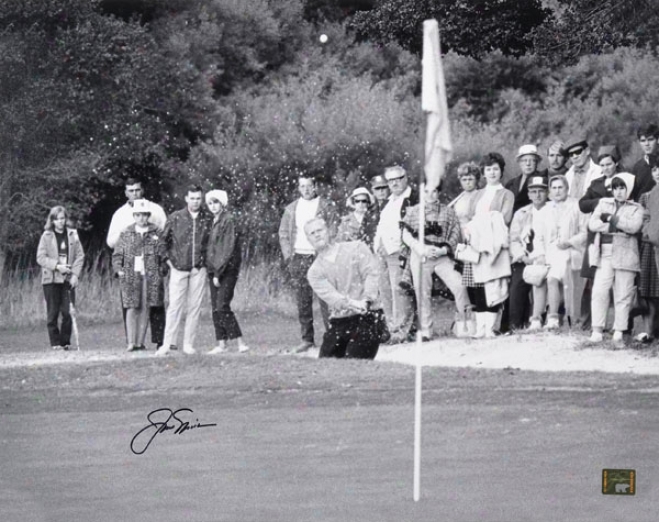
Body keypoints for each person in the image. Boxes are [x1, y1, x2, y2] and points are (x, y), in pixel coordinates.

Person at [401, 183, 471, 339]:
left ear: (439, 192)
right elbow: (406, 234)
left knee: (459, 285)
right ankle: (426, 330)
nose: (430, 195)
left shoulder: (448, 212)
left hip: (442, 257)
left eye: (434, 191)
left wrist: (443, 250)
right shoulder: (413, 211)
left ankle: (464, 325)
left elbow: (454, 234)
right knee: (422, 292)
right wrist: (420, 248)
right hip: (420, 255)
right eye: (426, 191)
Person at [305, 218, 381, 359]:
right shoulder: (314, 272)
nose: (317, 235)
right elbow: (333, 297)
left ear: (328, 231)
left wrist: (367, 300)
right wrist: (353, 303)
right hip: (340, 320)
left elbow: (372, 274)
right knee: (325, 366)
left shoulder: (357, 247)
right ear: (308, 239)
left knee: (354, 363)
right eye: (312, 233)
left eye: (319, 230)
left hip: (369, 316)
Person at [278, 174, 337, 353]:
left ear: (315, 186)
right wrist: (289, 257)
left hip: (319, 257)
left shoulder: (326, 206)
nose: (306, 190)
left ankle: (332, 336)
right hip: (299, 257)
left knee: (326, 298)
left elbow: (333, 228)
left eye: (309, 186)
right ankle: (307, 339)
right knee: (303, 300)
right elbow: (283, 233)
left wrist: (328, 251)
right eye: (302, 186)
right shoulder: (291, 208)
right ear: (298, 188)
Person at [107, 177, 167, 350]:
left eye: (137, 190)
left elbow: (164, 245)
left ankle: (151, 341)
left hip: (151, 272)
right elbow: (114, 247)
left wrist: (162, 268)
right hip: (131, 271)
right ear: (126, 192)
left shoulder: (156, 215)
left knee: (151, 305)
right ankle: (131, 342)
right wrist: (120, 269)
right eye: (131, 190)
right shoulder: (123, 225)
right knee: (132, 306)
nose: (142, 218)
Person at [462, 153, 514, 337]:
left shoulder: (506, 194)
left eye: (495, 169)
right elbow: (469, 218)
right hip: (476, 245)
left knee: (493, 284)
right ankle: (480, 328)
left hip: (494, 246)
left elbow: (504, 218)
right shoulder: (477, 195)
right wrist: (475, 229)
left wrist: (482, 223)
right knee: (477, 285)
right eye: (488, 169)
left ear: (501, 171)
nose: (492, 173)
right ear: (483, 172)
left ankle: (491, 327)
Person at [156, 185, 212, 356]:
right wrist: (169, 262)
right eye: (192, 198)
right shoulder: (175, 217)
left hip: (198, 269)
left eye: (198, 198)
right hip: (179, 269)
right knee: (174, 306)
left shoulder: (207, 218)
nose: (195, 201)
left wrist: (205, 264)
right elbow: (161, 243)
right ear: (186, 198)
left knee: (194, 307)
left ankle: (188, 344)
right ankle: (167, 343)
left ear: (201, 199)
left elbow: (211, 244)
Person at [588, 173, 643, 344]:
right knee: (599, 290)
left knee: (623, 293)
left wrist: (611, 218)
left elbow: (634, 227)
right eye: (615, 188)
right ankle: (597, 329)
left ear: (629, 188)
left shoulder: (636, 208)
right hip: (604, 252)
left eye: (622, 188)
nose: (618, 192)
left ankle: (619, 330)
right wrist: (617, 226)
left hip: (626, 254)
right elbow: (592, 224)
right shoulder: (604, 203)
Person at [533, 175, 588, 329]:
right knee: (539, 279)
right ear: (550, 191)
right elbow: (538, 237)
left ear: (567, 188)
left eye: (560, 187)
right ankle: (536, 319)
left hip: (569, 250)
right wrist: (540, 254)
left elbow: (584, 232)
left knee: (552, 278)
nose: (557, 191)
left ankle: (553, 318)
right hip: (549, 252)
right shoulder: (545, 210)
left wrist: (570, 242)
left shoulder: (577, 206)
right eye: (554, 188)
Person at [373, 165, 419, 343]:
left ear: (405, 178)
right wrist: (377, 246)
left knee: (399, 290)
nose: (395, 183)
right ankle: (393, 329)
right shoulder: (388, 201)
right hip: (382, 252)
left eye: (398, 179)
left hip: (399, 251)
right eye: (391, 181)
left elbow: (414, 226)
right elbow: (381, 226)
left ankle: (402, 331)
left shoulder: (412, 199)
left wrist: (402, 248)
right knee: (385, 291)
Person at [205, 189, 249, 354]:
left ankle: (240, 342)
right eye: (210, 203)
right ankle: (221, 343)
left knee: (222, 305)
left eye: (215, 202)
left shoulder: (228, 220)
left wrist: (218, 273)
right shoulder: (214, 220)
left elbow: (227, 249)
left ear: (222, 203)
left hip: (226, 270)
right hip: (214, 269)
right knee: (216, 308)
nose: (213, 206)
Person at [36, 206, 85, 350]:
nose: (60, 222)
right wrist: (57, 266)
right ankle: (55, 343)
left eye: (62, 218)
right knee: (52, 312)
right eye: (57, 219)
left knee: (68, 311)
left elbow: (80, 255)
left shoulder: (73, 234)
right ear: (52, 220)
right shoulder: (46, 236)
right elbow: (40, 257)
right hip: (51, 279)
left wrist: (75, 275)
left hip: (67, 279)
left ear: (66, 219)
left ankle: (65, 342)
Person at [507, 176, 549, 330]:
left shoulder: (552, 211)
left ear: (547, 193)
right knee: (517, 286)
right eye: (533, 191)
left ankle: (543, 320)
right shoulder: (522, 213)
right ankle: (515, 326)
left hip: (547, 258)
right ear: (529, 194)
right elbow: (514, 239)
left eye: (541, 191)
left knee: (549, 282)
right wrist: (524, 257)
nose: (537, 195)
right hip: (526, 258)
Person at [636, 161, 659, 341]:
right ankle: (649, 332)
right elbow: (642, 220)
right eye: (655, 169)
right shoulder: (645, 196)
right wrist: (647, 232)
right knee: (649, 291)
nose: (658, 173)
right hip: (649, 247)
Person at [505, 144, 544, 213]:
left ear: (537, 162)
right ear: (519, 163)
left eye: (532, 160)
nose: (528, 164)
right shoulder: (511, 184)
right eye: (524, 160)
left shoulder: (543, 180)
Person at [448, 162, 481, 231]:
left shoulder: (480, 196)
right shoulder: (459, 198)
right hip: (457, 232)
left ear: (476, 180)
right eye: (464, 180)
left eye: (470, 179)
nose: (467, 182)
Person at [630, 124, 659, 199]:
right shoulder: (637, 167)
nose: (647, 144)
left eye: (650, 139)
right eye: (643, 141)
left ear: (658, 140)